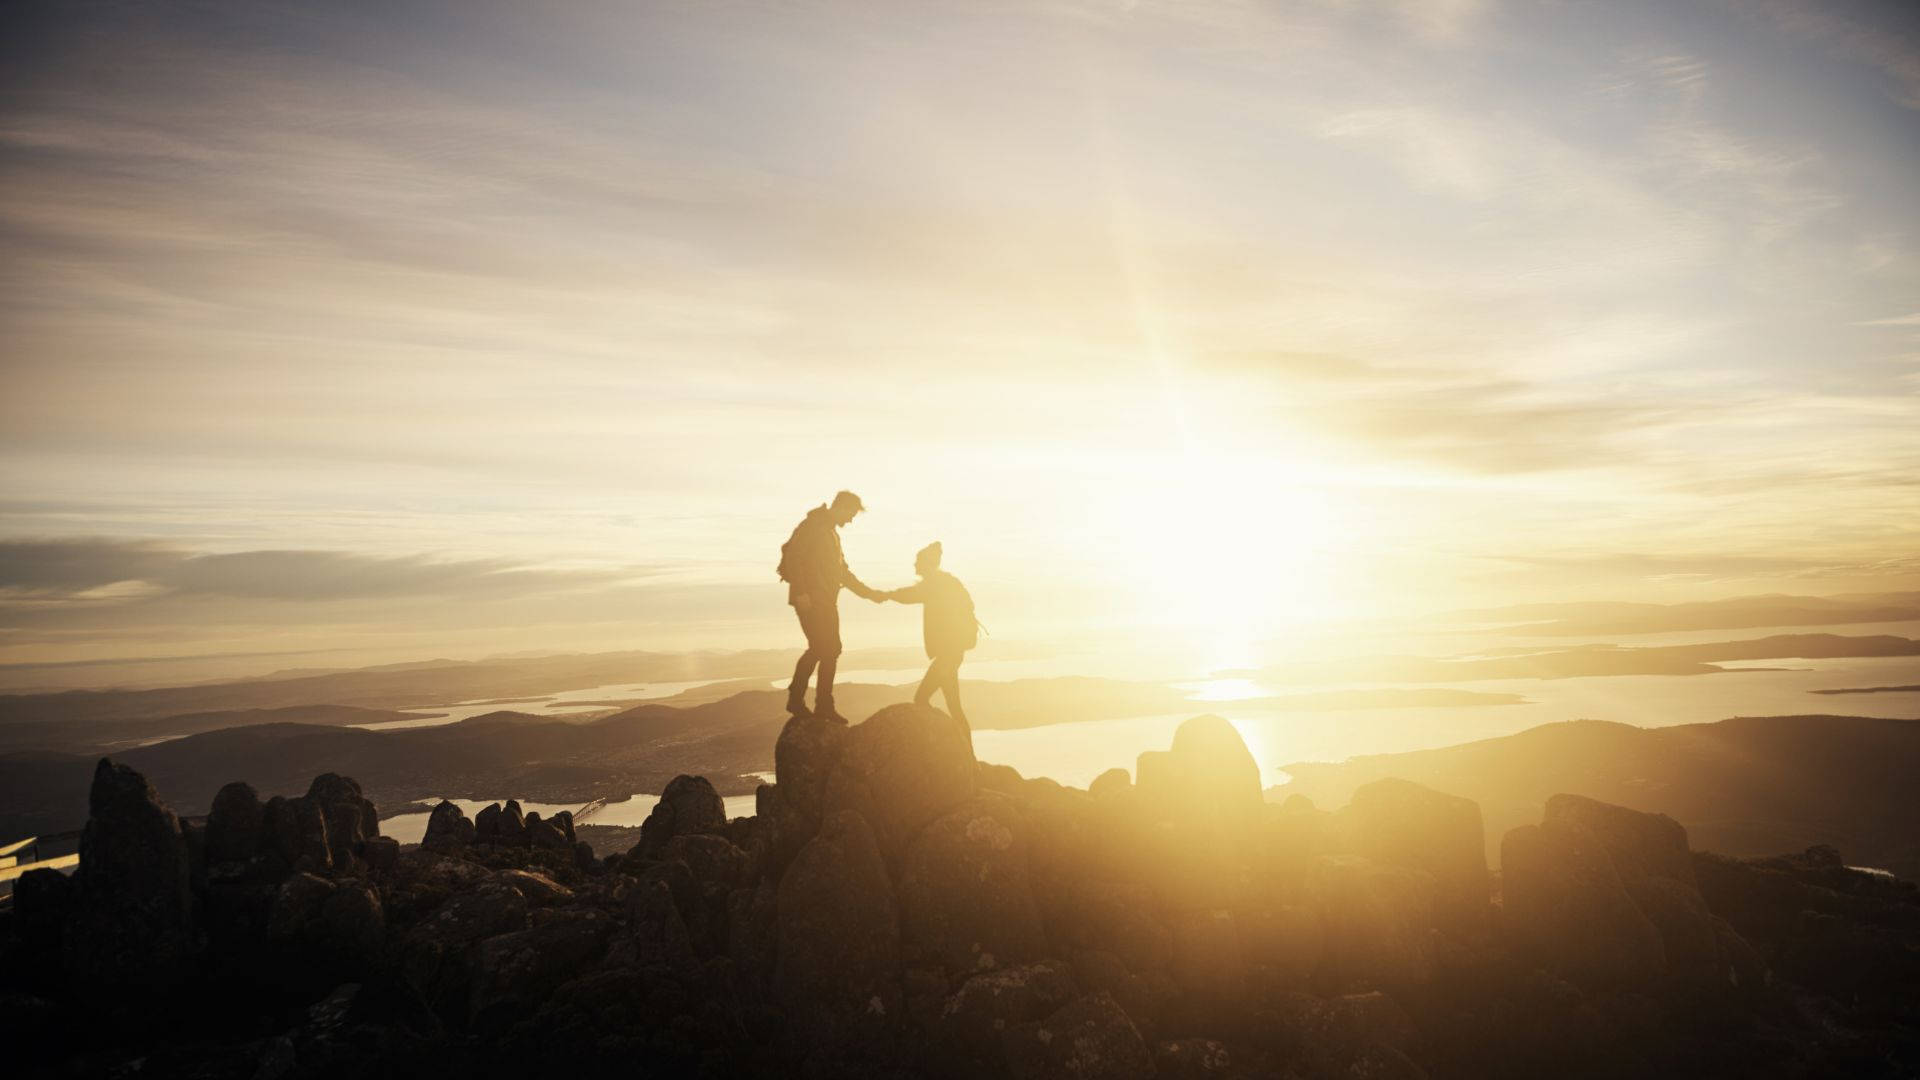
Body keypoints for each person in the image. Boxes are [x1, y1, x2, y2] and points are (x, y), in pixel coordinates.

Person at [779, 490, 882, 722]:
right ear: (841, 507)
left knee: (829, 649)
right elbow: (794, 557)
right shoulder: (813, 526)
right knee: (823, 647)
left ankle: (817, 704)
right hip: (811, 599)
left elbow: (842, 572)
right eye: (851, 514)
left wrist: (869, 594)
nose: (851, 519)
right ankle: (805, 702)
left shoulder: (831, 534)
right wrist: (802, 592)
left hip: (825, 600)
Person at [882, 541, 978, 738]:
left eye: (918, 561)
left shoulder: (937, 585)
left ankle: (943, 746)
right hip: (951, 654)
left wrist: (885, 595)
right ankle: (965, 753)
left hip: (948, 656)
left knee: (923, 699)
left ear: (927, 563)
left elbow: (911, 595)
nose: (915, 565)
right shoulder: (943, 583)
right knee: (953, 706)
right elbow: (914, 594)